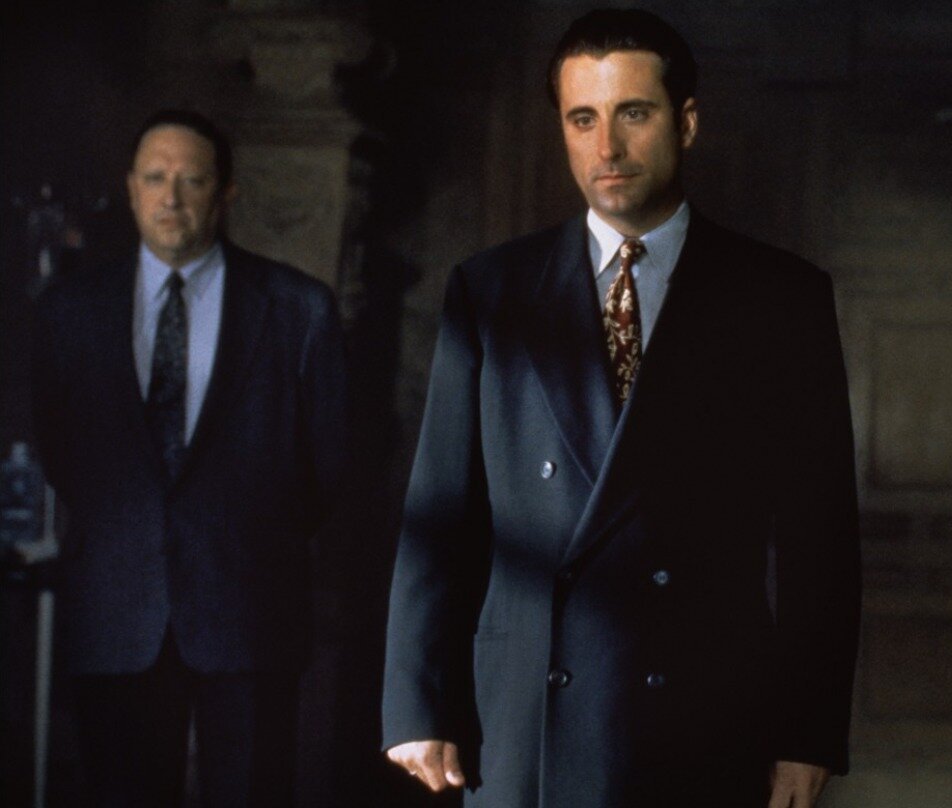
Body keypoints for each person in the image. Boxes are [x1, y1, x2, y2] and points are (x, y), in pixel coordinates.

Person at [381, 9, 861, 808]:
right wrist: (416, 702)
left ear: (687, 122)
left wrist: (807, 733)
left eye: (633, 113)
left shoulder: (781, 298)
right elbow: (440, 513)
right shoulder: (491, 290)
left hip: (705, 714)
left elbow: (820, 542)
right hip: (525, 714)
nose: (606, 147)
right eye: (583, 119)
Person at [32, 109, 349, 807]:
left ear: (226, 192)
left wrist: (240, 538)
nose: (170, 198)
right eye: (154, 178)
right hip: (117, 615)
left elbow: (327, 467)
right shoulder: (70, 313)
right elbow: (59, 450)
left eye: (192, 180)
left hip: (251, 614)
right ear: (130, 189)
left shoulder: (299, 310)